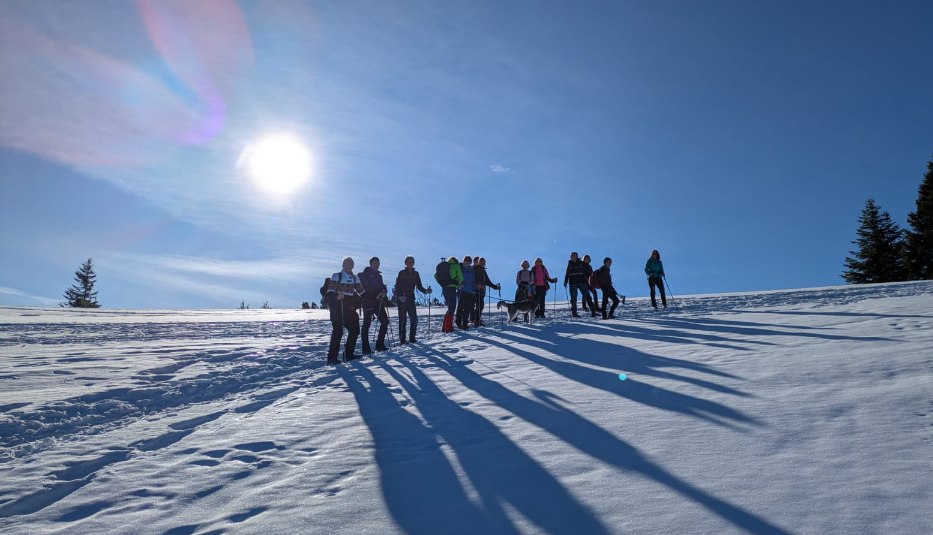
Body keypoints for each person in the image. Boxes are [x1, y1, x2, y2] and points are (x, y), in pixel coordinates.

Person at [325, 257, 365, 364]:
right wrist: (336, 296)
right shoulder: (336, 276)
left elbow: (362, 292)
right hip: (337, 307)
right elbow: (330, 292)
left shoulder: (355, 278)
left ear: (353, 265)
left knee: (355, 330)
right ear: (343, 265)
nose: (349, 265)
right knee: (338, 332)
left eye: (351, 263)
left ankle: (349, 355)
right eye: (347, 263)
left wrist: (379, 295)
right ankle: (332, 358)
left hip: (349, 307)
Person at [394, 256, 431, 344]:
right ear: (405, 263)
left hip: (411, 298)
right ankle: (402, 339)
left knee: (414, 319)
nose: (410, 263)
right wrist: (399, 296)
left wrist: (426, 291)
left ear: (413, 263)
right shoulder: (401, 273)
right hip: (402, 298)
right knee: (402, 319)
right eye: (408, 262)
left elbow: (419, 286)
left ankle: (412, 337)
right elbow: (397, 286)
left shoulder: (416, 274)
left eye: (411, 262)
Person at [359, 256, 389, 354]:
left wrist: (384, 292)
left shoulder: (379, 276)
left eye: (378, 263)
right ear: (370, 264)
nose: (377, 265)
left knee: (385, 322)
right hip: (367, 302)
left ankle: (379, 345)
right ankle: (365, 348)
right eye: (375, 263)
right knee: (367, 324)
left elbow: (382, 287)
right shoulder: (364, 274)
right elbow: (362, 289)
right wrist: (375, 295)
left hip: (378, 303)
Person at [564, 251, 596, 318]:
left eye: (574, 255)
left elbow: (587, 270)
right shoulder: (569, 264)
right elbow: (567, 273)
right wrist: (565, 282)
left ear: (577, 256)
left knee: (587, 296)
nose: (572, 257)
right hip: (573, 282)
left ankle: (593, 311)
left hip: (582, 282)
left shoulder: (581, 263)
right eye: (571, 256)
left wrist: (590, 277)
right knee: (573, 298)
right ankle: (574, 313)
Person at [437, 256, 463, 333]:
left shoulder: (444, 266)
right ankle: (448, 327)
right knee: (452, 308)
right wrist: (459, 283)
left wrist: (443, 284)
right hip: (452, 288)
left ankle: (444, 326)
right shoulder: (456, 266)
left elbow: (436, 276)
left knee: (450, 308)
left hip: (444, 288)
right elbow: (461, 278)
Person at [473, 257, 500, 327]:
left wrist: (495, 287)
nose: (482, 263)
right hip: (476, 290)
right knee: (479, 305)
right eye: (481, 261)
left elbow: (487, 281)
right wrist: (476, 284)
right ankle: (476, 321)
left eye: (483, 262)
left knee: (480, 305)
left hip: (482, 291)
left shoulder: (483, 270)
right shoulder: (475, 269)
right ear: (478, 262)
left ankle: (476, 320)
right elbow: (473, 278)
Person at [455, 256, 477, 330]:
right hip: (461, 290)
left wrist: (474, 288)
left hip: (470, 291)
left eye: (469, 261)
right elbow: (457, 277)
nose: (467, 262)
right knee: (460, 307)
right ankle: (458, 322)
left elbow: (473, 280)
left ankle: (465, 324)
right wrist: (458, 285)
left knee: (467, 308)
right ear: (464, 261)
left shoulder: (471, 270)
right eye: (466, 261)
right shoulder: (460, 268)